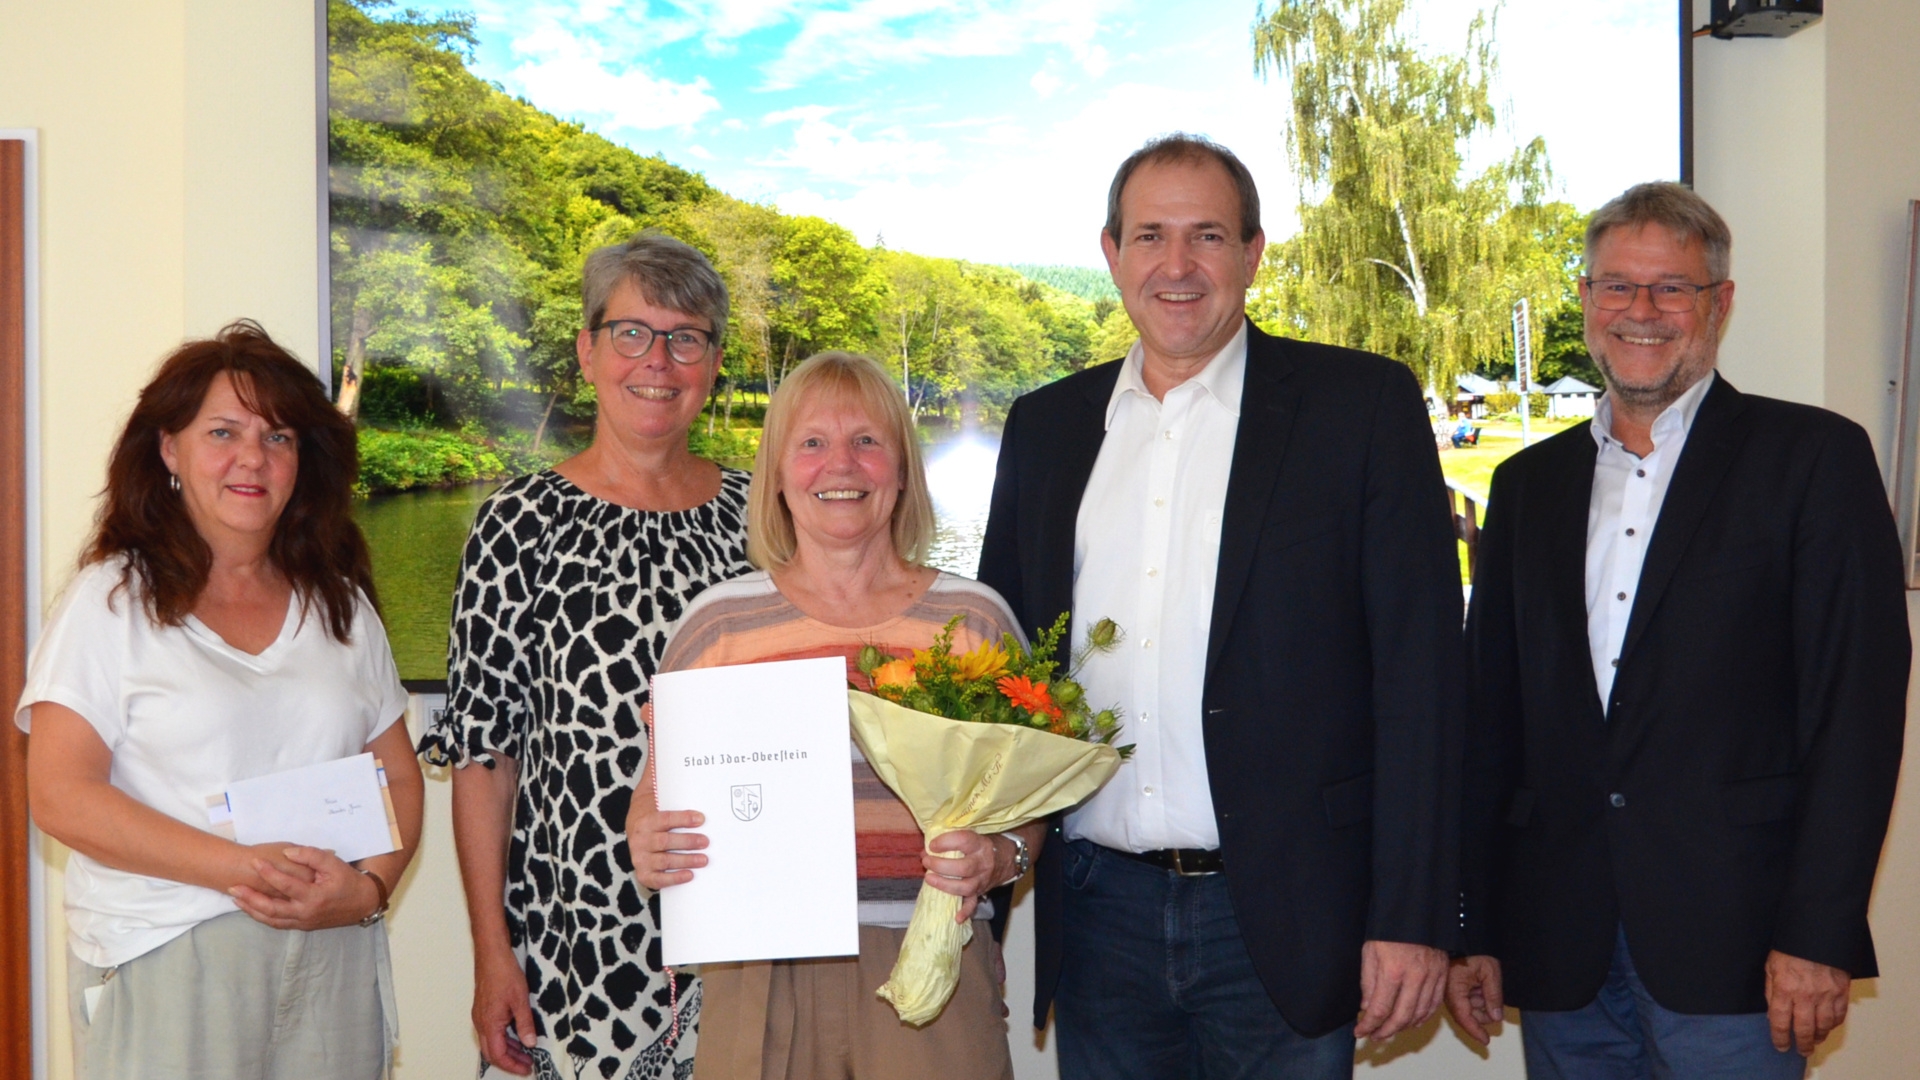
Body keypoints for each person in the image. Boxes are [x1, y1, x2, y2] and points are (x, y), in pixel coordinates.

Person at [977, 133, 1465, 1078]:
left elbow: (1424, 677)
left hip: (1286, 914)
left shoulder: (1357, 407)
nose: (1177, 265)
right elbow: (1008, 675)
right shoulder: (1046, 428)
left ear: (1253, 253)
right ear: (1111, 252)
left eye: (1207, 235)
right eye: (1150, 235)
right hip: (1098, 910)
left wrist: (1411, 916)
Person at [1449, 181, 1910, 1078]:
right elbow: (1490, 722)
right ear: (1585, 302)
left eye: (1672, 288)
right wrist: (1475, 924)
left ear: (1719, 304)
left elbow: (1855, 717)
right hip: (1562, 950)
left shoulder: (1813, 461)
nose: (1643, 312)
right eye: (1617, 286)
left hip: (1740, 951)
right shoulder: (1528, 487)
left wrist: (1819, 932)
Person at [20, 320, 424, 1079]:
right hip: (170, 954)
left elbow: (398, 779)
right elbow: (61, 796)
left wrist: (367, 890)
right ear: (169, 450)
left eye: (279, 438)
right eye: (224, 432)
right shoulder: (110, 602)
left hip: (333, 954)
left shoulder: (338, 605)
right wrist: (240, 868)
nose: (253, 458)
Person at [629, 351, 1039, 1080]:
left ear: (903, 468)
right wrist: (651, 842)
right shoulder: (717, 625)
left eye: (867, 441)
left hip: (930, 967)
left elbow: (1029, 806)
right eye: (811, 443)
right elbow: (653, 798)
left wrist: (1002, 858)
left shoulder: (975, 620)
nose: (839, 466)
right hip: (756, 974)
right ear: (778, 474)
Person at [420, 234, 754, 1079]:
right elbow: (483, 760)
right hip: (578, 947)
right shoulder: (516, 523)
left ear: (714, 362)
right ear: (587, 350)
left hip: (748, 929)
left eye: (687, 338)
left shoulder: (763, 519)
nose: (659, 361)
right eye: (632, 333)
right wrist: (492, 954)